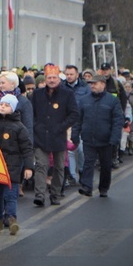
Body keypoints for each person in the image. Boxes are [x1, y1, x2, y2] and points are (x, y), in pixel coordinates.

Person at [31, 64, 78, 207]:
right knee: (41, 165)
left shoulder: (67, 94)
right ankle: (39, 194)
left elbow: (74, 114)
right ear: (45, 79)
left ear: (59, 78)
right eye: (49, 77)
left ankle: (55, 193)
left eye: (54, 77)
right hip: (40, 136)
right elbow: (31, 113)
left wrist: (61, 127)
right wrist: (35, 127)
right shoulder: (37, 94)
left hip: (58, 137)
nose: (52, 80)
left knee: (59, 167)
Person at [71, 75, 124, 198]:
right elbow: (78, 120)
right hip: (89, 138)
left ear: (103, 84)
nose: (92, 86)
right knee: (88, 163)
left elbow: (117, 121)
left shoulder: (112, 100)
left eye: (95, 83)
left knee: (105, 165)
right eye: (91, 84)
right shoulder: (84, 100)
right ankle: (86, 187)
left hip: (106, 140)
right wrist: (75, 135)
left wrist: (115, 138)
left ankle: (103, 188)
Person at [0, 94, 33, 235]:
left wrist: (28, 167)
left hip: (13, 165)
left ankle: (12, 219)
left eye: (7, 105)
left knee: (11, 194)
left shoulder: (19, 128)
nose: (3, 107)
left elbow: (26, 148)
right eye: (2, 104)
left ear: (13, 108)